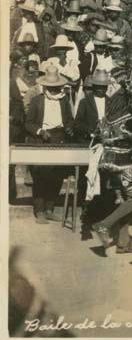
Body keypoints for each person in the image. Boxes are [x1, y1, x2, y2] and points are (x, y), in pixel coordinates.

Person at [25, 65, 74, 223]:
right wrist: (40, 131)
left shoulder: (64, 100)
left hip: (59, 139)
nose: (54, 90)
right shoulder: (37, 101)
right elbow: (29, 123)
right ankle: (39, 211)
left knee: (57, 175)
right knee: (40, 175)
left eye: (56, 87)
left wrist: (69, 128)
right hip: (42, 140)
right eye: (51, 87)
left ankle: (50, 209)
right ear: (45, 86)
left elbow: (69, 120)